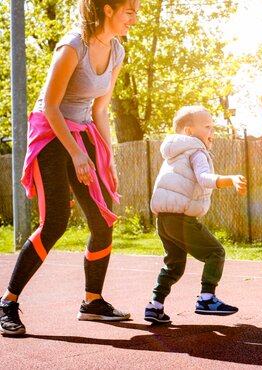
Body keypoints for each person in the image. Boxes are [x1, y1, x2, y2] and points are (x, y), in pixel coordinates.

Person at [0, 0, 140, 336]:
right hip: (51, 133)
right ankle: (7, 302)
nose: (135, 18)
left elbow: (101, 111)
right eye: (130, 11)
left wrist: (107, 159)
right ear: (108, 9)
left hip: (82, 129)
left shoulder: (117, 51)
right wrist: (77, 154)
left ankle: (93, 302)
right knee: (56, 223)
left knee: (102, 219)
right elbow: (49, 106)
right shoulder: (72, 45)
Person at [144, 106, 247, 324]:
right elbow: (204, 177)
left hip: (163, 219)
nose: (213, 131)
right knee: (216, 252)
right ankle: (207, 298)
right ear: (190, 132)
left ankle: (155, 305)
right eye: (208, 126)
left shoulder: (173, 152)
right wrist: (230, 179)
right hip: (181, 219)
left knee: (174, 265)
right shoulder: (196, 150)